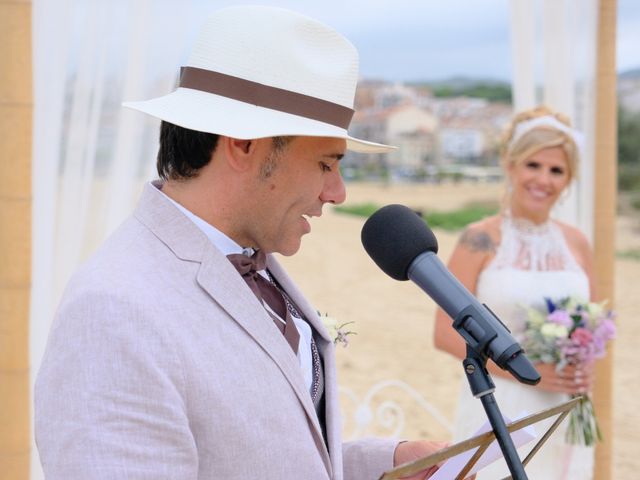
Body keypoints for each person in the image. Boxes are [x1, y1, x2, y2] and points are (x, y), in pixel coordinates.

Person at [35, 6, 450, 480]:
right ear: (244, 144)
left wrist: (381, 466)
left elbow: (253, 456)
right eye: (326, 163)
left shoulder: (252, 261)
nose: (337, 192)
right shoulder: (114, 310)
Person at [433, 105, 597, 479]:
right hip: (501, 401)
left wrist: (584, 371)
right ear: (511, 166)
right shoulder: (479, 238)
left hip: (565, 404)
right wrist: (529, 371)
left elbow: (594, 324)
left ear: (569, 179)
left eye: (556, 170)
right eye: (533, 165)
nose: (544, 179)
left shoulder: (578, 244)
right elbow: (444, 333)